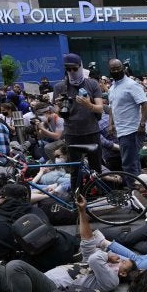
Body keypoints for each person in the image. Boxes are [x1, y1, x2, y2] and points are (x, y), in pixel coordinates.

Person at [53, 53, 105, 193]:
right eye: (68, 69)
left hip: (91, 131)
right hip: (72, 133)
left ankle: (100, 195)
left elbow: (100, 108)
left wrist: (89, 105)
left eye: (74, 69)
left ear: (80, 67)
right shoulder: (60, 87)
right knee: (75, 170)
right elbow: (58, 113)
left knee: (96, 168)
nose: (72, 72)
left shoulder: (92, 84)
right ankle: (77, 197)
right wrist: (59, 106)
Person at [106, 58, 147, 180]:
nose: (115, 71)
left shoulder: (131, 85)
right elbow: (112, 108)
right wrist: (110, 124)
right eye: (113, 69)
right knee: (133, 162)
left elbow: (145, 104)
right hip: (121, 130)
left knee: (128, 164)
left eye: (118, 68)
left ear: (123, 68)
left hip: (132, 130)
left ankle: (133, 188)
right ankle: (140, 187)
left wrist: (142, 124)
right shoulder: (112, 88)